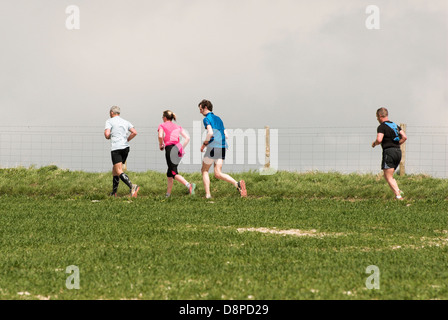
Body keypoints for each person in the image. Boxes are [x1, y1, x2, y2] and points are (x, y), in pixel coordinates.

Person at [198, 99, 247, 199]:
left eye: (201, 109)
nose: (200, 112)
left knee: (204, 170)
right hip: (222, 146)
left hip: (213, 146)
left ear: (205, 108)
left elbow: (210, 133)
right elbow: (226, 134)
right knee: (218, 173)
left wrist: (204, 144)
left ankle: (208, 195)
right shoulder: (219, 119)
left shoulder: (207, 119)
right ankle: (237, 184)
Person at [372, 107, 407, 200]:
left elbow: (379, 139)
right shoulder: (395, 125)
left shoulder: (382, 126)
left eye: (377, 117)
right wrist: (397, 144)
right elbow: (404, 137)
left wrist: (374, 143)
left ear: (380, 116)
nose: (377, 119)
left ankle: (399, 196)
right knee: (389, 176)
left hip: (389, 152)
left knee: (388, 176)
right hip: (398, 152)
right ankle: (398, 192)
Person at [158, 110, 196, 197]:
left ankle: (189, 185)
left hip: (170, 149)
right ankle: (168, 194)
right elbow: (187, 138)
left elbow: (160, 136)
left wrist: (161, 144)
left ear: (164, 118)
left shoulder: (162, 125)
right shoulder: (177, 126)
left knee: (173, 172)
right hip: (179, 149)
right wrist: (181, 147)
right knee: (169, 172)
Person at [104, 106, 140, 198]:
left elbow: (107, 134)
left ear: (112, 113)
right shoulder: (125, 122)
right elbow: (134, 132)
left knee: (118, 170)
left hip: (116, 148)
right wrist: (127, 139)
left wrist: (108, 136)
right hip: (125, 148)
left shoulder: (109, 121)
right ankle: (114, 193)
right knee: (115, 169)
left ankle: (132, 186)